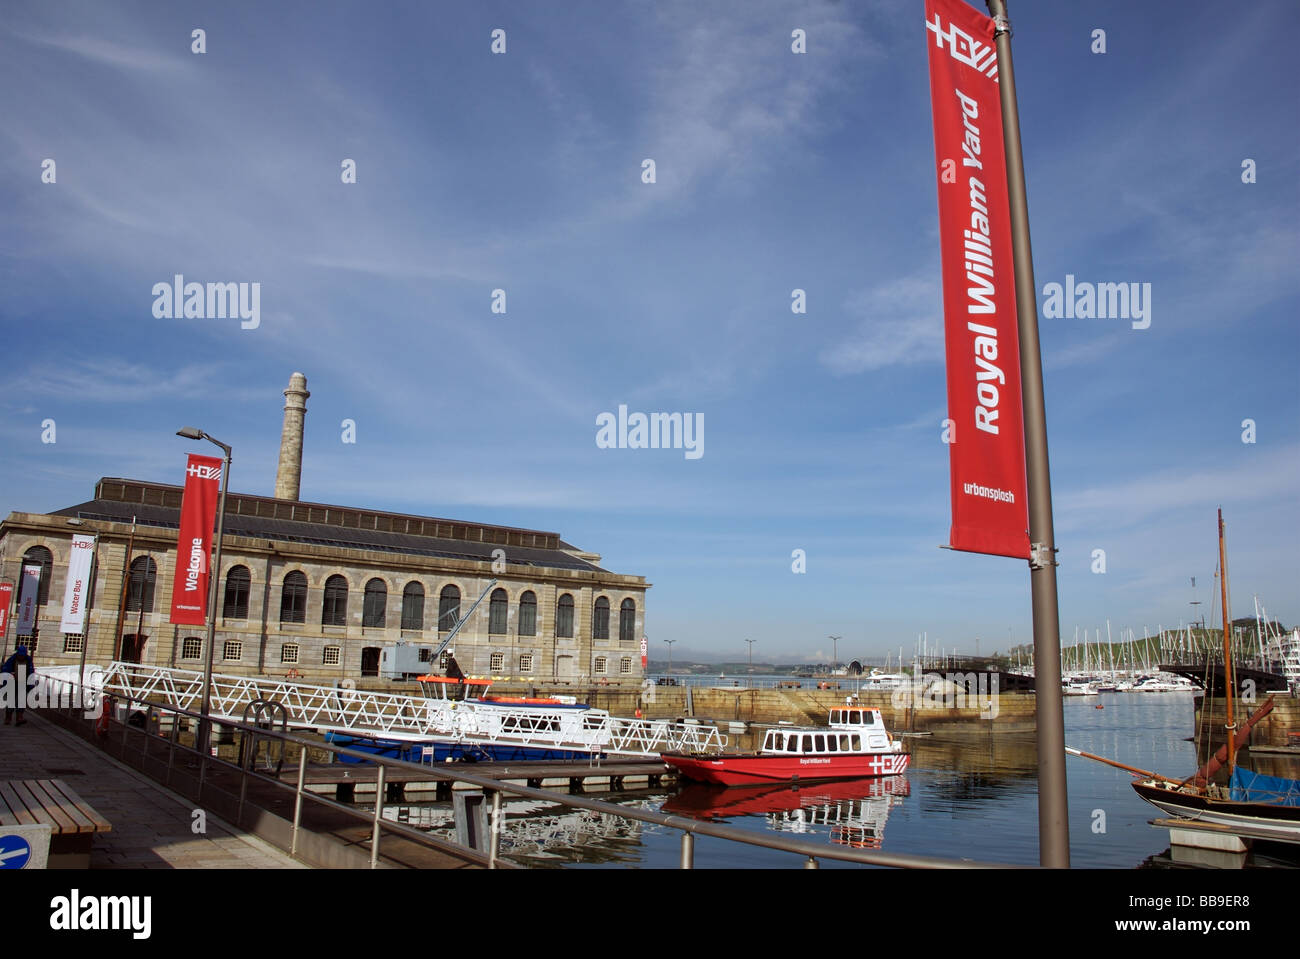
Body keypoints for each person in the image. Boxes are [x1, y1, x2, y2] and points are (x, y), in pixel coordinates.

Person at [2, 643, 37, 726]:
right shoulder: (12, 659)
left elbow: (31, 672)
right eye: (20, 655)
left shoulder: (28, 661)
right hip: (12, 682)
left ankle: (19, 718)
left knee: (21, 701)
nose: (21, 657)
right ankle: (8, 718)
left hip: (23, 682)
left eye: (23, 655)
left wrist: (31, 685)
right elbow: (5, 670)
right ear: (17, 653)